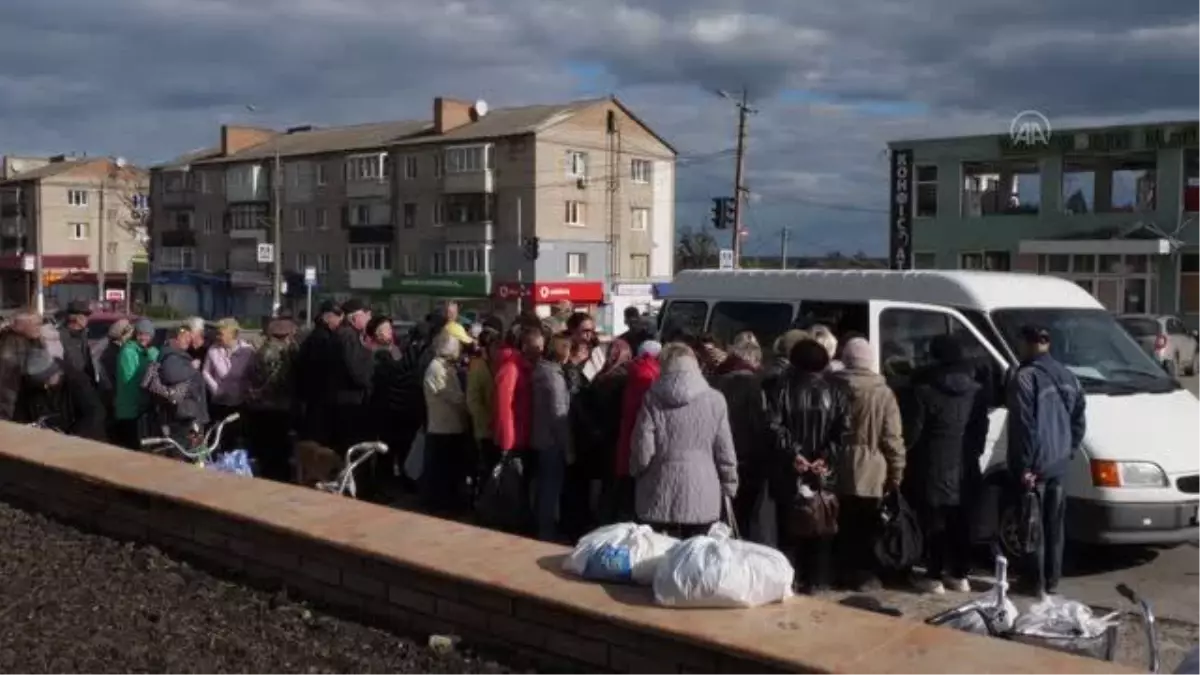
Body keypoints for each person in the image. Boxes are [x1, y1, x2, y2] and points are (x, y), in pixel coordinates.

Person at [902, 334, 990, 594]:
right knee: (960, 520)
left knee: (933, 521)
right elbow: (980, 430)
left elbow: (914, 434)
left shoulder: (924, 391)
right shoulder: (976, 392)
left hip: (933, 465)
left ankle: (933, 575)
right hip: (966, 465)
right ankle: (960, 574)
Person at [767, 339, 851, 592]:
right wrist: (825, 457)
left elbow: (773, 425)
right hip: (823, 471)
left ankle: (789, 579)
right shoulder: (839, 389)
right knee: (822, 524)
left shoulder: (779, 387)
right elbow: (844, 430)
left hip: (789, 469)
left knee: (789, 525)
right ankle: (816, 579)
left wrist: (794, 454)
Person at [629, 342, 738, 539]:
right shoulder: (715, 399)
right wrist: (730, 482)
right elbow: (724, 448)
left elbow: (643, 446)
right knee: (694, 555)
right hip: (703, 488)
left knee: (657, 554)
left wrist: (637, 470)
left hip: (659, 484)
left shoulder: (652, 397)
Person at [1008, 325, 1085, 600]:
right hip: (1060, 464)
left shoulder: (1025, 377)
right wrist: (1069, 450)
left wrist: (1025, 465)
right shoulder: (1069, 376)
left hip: (1036, 465)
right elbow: (1079, 420)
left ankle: (1034, 582)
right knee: (1055, 526)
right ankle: (1052, 581)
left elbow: (1024, 426)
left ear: (1027, 343)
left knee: (1032, 525)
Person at [831, 337, 906, 591]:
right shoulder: (883, 393)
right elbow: (891, 437)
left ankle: (838, 571)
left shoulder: (832, 386)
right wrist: (897, 472)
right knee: (866, 526)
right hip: (872, 470)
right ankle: (863, 576)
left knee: (840, 523)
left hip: (836, 465)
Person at [712, 332, 771, 541]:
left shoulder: (717, 380)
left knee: (723, 512)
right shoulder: (758, 385)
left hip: (720, 453)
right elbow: (761, 425)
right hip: (749, 457)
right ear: (754, 359)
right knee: (746, 514)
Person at [612, 340, 661, 522]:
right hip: (638, 441)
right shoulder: (649, 375)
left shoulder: (635, 371)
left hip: (628, 438)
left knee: (623, 490)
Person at [531, 332, 574, 541]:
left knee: (543, 485)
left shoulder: (541, 370)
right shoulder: (554, 378)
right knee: (551, 487)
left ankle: (542, 526)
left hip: (540, 435)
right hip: (552, 440)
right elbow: (559, 415)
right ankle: (546, 531)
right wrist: (568, 448)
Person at [245, 315, 298, 482]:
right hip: (277, 407)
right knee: (278, 450)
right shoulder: (280, 352)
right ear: (286, 335)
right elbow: (281, 381)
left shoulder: (261, 351)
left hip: (260, 407)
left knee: (265, 448)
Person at [422, 331, 470, 513]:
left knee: (451, 470)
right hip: (442, 429)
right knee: (442, 471)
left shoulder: (448, 367)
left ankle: (451, 502)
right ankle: (440, 505)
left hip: (452, 427)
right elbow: (452, 396)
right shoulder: (436, 369)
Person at [21, 348, 106, 440]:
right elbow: (23, 413)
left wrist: (74, 436)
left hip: (80, 438)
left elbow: (95, 413)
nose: (45, 385)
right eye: (42, 382)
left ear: (57, 372)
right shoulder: (32, 386)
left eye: (48, 380)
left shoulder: (77, 381)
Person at [327, 299, 376, 453]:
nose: (369, 319)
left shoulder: (344, 334)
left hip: (344, 400)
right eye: (366, 315)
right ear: (355, 318)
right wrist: (372, 382)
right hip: (350, 402)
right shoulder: (348, 336)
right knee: (350, 447)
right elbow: (357, 371)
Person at [295, 300, 343, 444]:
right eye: (337, 317)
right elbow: (319, 370)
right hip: (320, 398)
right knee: (318, 438)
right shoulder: (322, 338)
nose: (339, 322)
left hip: (316, 398)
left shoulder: (318, 336)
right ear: (327, 317)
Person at [154, 324, 209, 445]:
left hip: (186, 411)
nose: (188, 341)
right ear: (174, 338)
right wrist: (192, 368)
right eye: (185, 337)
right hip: (183, 413)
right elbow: (172, 375)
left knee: (190, 447)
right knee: (185, 447)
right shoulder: (171, 356)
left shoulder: (175, 354)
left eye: (189, 338)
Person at [202, 318, 254, 438]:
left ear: (233, 334)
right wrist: (216, 389)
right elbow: (205, 372)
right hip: (220, 403)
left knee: (237, 437)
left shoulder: (247, 351)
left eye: (221, 334)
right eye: (217, 333)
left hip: (239, 403)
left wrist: (247, 391)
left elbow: (252, 375)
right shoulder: (213, 350)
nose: (218, 337)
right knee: (219, 437)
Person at [112, 319, 159, 449]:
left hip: (140, 408)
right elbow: (130, 380)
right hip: (129, 409)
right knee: (130, 447)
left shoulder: (144, 352)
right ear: (135, 334)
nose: (143, 337)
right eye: (140, 334)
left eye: (147, 334)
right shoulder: (128, 352)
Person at [466, 327, 500, 480]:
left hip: (498, 428)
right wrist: (484, 422)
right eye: (494, 347)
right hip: (485, 429)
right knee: (486, 467)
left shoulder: (499, 366)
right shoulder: (478, 366)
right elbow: (472, 399)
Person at [0, 311, 43, 422]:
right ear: (21, 327)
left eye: (40, 323)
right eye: (35, 324)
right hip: (13, 410)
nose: (39, 328)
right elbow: (6, 387)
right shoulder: (11, 347)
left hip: (27, 404)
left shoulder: (33, 341)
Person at [57, 300, 97, 385]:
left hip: (85, 384)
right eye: (85, 315)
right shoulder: (61, 336)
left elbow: (88, 363)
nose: (87, 319)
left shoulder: (83, 335)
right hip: (69, 386)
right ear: (76, 317)